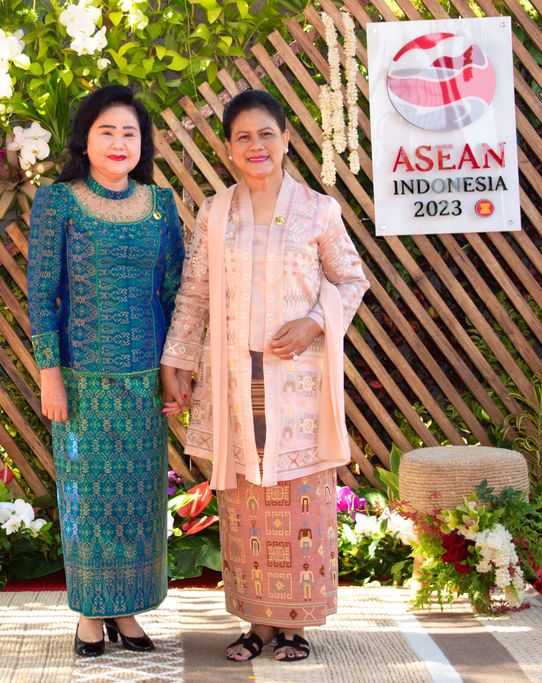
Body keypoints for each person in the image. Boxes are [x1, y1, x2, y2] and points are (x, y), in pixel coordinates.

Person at [160, 89, 369, 662]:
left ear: (286, 141)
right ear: (228, 150)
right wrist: (176, 362)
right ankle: (257, 623)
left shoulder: (318, 210)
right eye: (243, 137)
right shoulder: (214, 213)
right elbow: (195, 294)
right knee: (245, 500)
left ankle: (295, 625)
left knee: (298, 501)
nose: (256, 146)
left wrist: (313, 323)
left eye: (266, 135)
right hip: (231, 383)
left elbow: (351, 280)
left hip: (296, 384)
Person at [27, 85, 185, 657]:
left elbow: (173, 294)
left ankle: (127, 611)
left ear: (142, 144)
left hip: (144, 380)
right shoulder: (58, 202)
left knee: (140, 499)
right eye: (107, 131)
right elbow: (42, 294)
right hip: (80, 384)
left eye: (130, 133)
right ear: (85, 140)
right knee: (86, 499)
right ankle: (91, 617)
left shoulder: (160, 204)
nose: (119, 142)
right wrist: (50, 375)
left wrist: (173, 372)